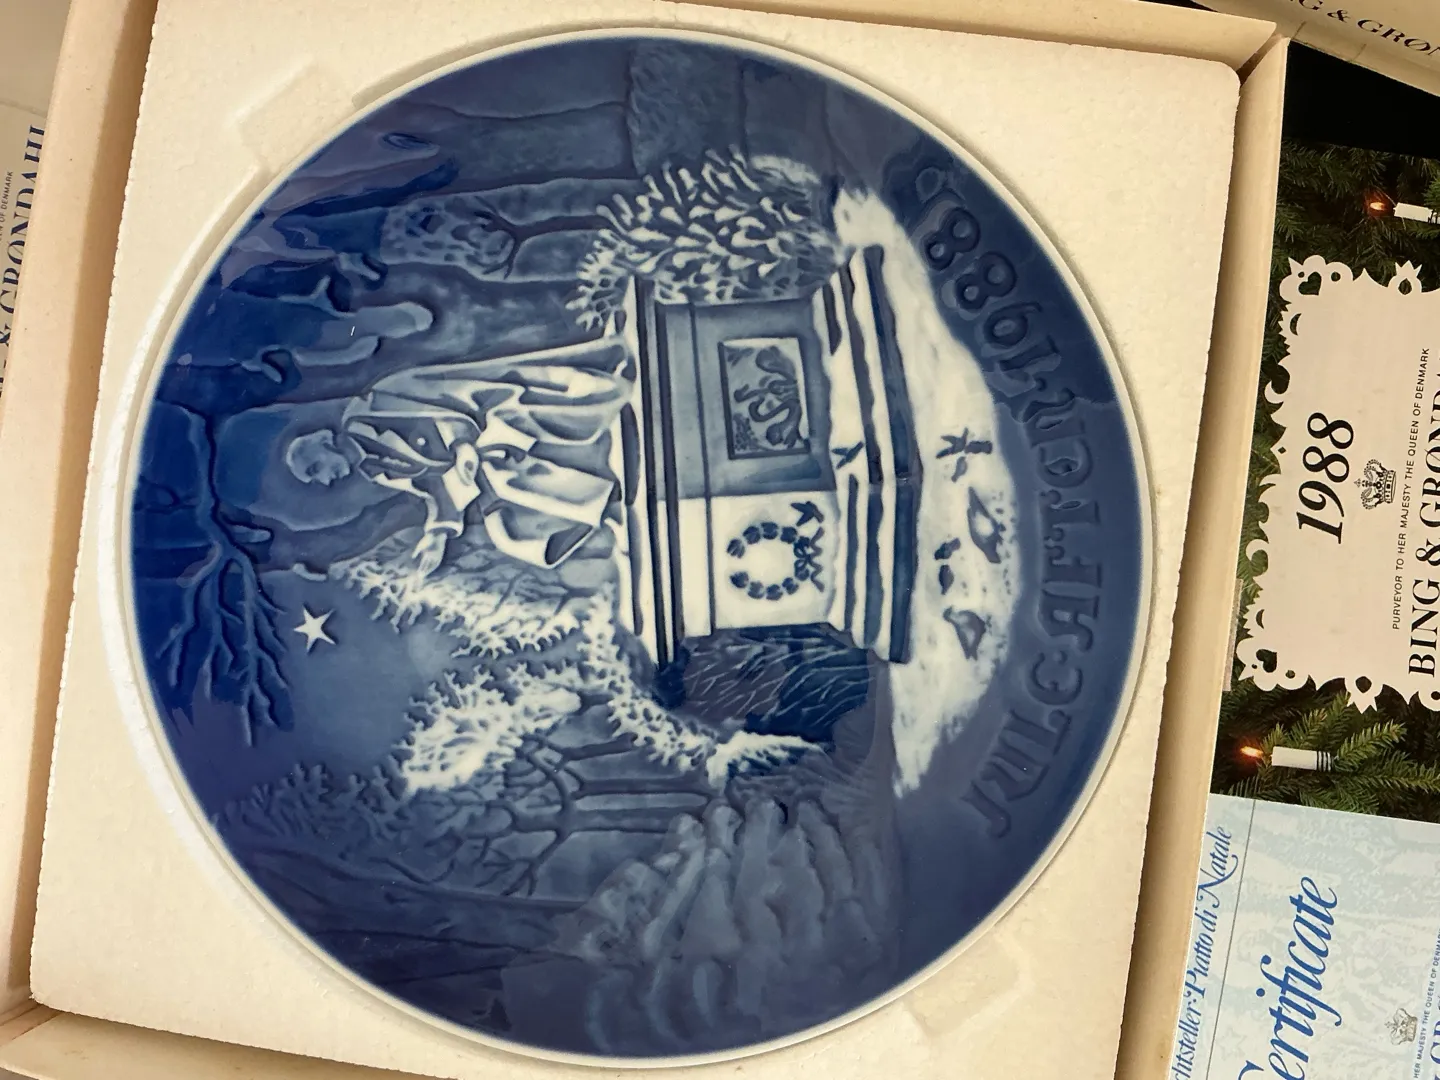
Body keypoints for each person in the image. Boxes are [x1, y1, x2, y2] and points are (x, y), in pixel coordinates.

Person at [289, 334, 635, 578]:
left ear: (326, 444)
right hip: (473, 461)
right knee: (504, 529)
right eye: (315, 479)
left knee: (504, 477)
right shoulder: (374, 469)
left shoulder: (369, 412)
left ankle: (605, 502)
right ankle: (598, 518)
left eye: (316, 468)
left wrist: (461, 446)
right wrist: (437, 535)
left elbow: (440, 409)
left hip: (489, 417)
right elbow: (434, 487)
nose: (325, 480)